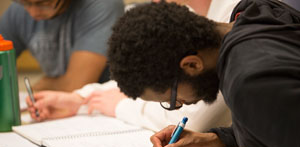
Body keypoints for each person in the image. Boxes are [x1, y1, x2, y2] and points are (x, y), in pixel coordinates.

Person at [106, 1, 300, 147]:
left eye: (173, 99)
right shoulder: (252, 11)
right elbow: (282, 115)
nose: (181, 104)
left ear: (192, 64)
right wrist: (217, 141)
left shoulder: (249, 81)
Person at [27, 0, 240, 132]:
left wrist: (119, 106)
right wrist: (82, 98)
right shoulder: (189, 14)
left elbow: (194, 120)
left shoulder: (232, 18)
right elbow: (148, 74)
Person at [0, 0, 124, 91]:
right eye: (25, 3)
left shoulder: (102, 4)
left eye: (43, 3)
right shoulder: (18, 10)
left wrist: (43, 84)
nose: (33, 13)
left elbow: (76, 85)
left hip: (104, 107)